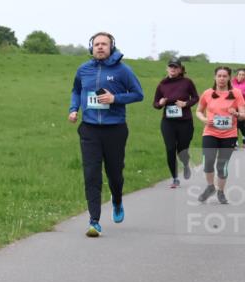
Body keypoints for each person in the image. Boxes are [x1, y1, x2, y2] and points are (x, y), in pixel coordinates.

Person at [68, 32, 144, 237]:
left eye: (104, 44)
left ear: (112, 47)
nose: (100, 47)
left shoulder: (123, 70)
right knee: (91, 174)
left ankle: (117, 200)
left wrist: (114, 98)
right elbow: (76, 90)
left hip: (115, 129)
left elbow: (138, 94)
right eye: (97, 44)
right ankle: (94, 221)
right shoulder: (83, 70)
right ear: (91, 47)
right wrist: (73, 109)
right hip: (90, 129)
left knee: (115, 174)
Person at [195, 66, 245, 204]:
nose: (222, 78)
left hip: (229, 134)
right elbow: (198, 111)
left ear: (229, 77)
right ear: (215, 77)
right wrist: (204, 119)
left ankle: (221, 192)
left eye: (224, 76)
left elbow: (243, 114)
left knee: (222, 166)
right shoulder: (207, 93)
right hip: (210, 132)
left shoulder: (236, 93)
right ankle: (210, 187)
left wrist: (237, 114)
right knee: (208, 162)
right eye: (219, 76)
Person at [152, 58, 198, 188]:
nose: (173, 69)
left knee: (182, 150)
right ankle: (175, 178)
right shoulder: (162, 84)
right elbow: (155, 103)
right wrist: (160, 103)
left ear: (180, 70)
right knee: (170, 148)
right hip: (168, 122)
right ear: (167, 69)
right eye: (170, 67)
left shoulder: (187, 82)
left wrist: (186, 103)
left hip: (185, 122)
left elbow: (195, 97)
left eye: (175, 67)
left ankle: (185, 163)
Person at [233, 68, 245, 146]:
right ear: (237, 75)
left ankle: (244, 139)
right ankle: (235, 141)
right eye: (239, 74)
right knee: (234, 124)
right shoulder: (232, 83)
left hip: (243, 106)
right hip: (234, 106)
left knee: (242, 124)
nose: (241, 76)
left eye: (243, 75)